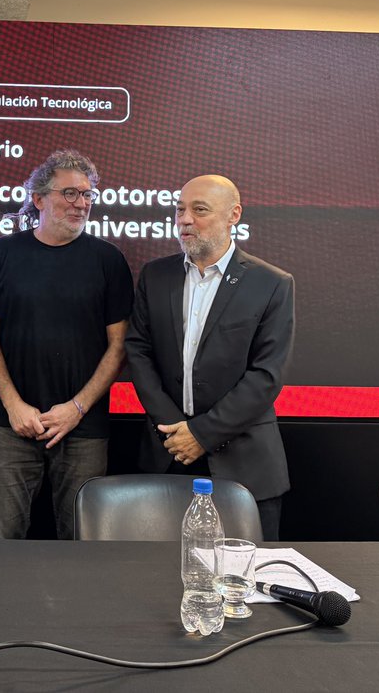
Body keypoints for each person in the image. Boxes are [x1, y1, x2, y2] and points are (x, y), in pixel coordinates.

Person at [0, 149, 133, 540]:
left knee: (82, 541)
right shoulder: (3, 253)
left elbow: (119, 347)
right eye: (70, 194)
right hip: (13, 425)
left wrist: (76, 408)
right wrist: (13, 404)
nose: (81, 204)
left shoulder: (108, 260)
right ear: (39, 199)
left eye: (88, 195)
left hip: (83, 428)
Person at [125, 174, 294, 540]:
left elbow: (266, 376)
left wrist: (201, 433)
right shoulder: (156, 276)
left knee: (245, 584)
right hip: (166, 455)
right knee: (152, 579)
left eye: (198, 210)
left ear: (234, 215)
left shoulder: (272, 283)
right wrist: (175, 430)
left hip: (245, 467)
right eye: (180, 209)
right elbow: (138, 351)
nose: (185, 219)